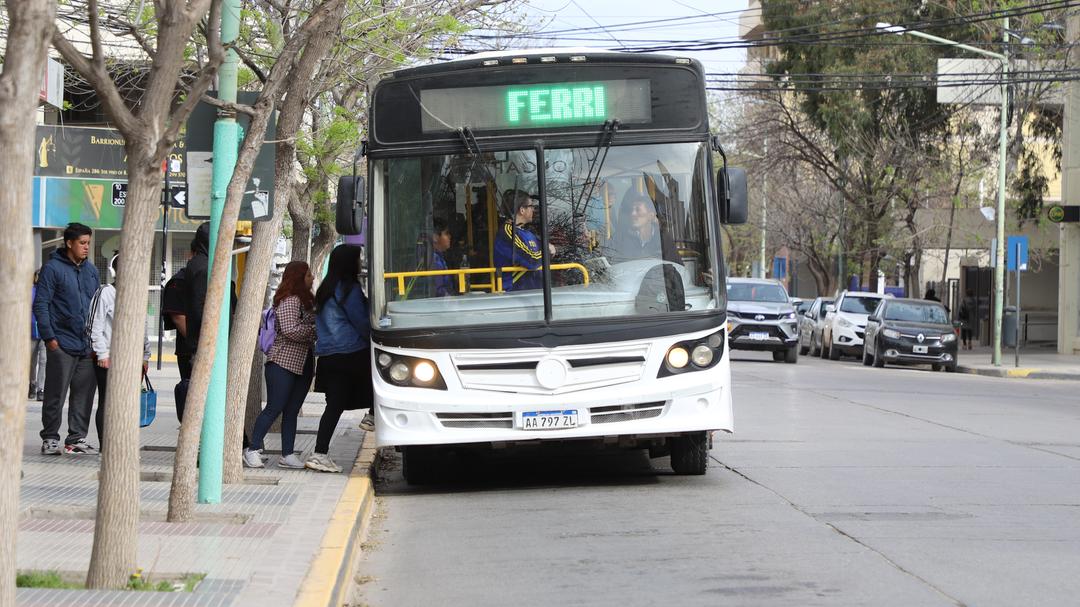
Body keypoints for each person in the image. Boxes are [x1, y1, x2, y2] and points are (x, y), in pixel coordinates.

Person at [33, 222, 101, 455]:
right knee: (55, 394)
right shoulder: (52, 269)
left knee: (83, 395)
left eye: (88, 243)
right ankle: (50, 438)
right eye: (82, 243)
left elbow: (97, 307)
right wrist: (49, 338)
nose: (86, 247)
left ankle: (76, 438)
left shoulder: (91, 271)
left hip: (86, 345)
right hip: (61, 343)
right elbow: (41, 305)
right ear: (69, 243)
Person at [306, 245, 373, 473]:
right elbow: (361, 322)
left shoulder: (326, 288)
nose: (360, 264)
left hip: (328, 356)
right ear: (349, 263)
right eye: (357, 260)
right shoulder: (348, 289)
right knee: (384, 375)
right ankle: (373, 416)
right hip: (351, 352)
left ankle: (319, 453)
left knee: (333, 406)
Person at [245, 261, 316, 469]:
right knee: (274, 407)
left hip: (303, 363)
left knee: (292, 410)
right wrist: (314, 331)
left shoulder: (306, 301)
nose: (312, 278)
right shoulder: (290, 300)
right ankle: (252, 449)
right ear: (299, 277)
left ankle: (288, 454)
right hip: (282, 363)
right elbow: (289, 329)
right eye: (309, 274)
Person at [87, 254, 151, 450]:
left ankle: (122, 444)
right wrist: (102, 354)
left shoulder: (136, 294)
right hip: (108, 359)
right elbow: (93, 325)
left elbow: (143, 326)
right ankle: (105, 446)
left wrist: (145, 355)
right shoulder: (106, 292)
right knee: (108, 402)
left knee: (126, 404)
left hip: (131, 360)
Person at [493, 189, 550, 292]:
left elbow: (543, 251)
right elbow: (532, 260)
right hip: (515, 295)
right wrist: (548, 250)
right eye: (531, 206)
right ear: (522, 210)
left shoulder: (527, 233)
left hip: (535, 293)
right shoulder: (507, 233)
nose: (533, 210)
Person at [610, 191, 681, 265]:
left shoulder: (663, 239)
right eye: (632, 210)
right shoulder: (619, 238)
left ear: (651, 215)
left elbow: (677, 268)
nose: (633, 214)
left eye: (638, 210)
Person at [29, 270, 47, 401]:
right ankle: (32, 384)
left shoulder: (48, 291)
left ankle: (41, 389)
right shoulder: (30, 291)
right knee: (32, 361)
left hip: (45, 331)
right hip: (31, 331)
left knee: (43, 361)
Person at [429, 218, 454, 297]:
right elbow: (439, 290)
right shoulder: (434, 260)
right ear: (435, 237)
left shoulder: (439, 257)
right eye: (446, 233)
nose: (450, 237)